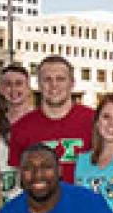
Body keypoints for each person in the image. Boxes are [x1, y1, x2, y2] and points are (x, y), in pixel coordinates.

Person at [8, 55, 95, 184]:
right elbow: (17, 180)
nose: (54, 85)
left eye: (60, 79)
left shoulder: (95, 121)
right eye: (47, 79)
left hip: (84, 195)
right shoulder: (20, 128)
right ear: (38, 84)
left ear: (72, 83)